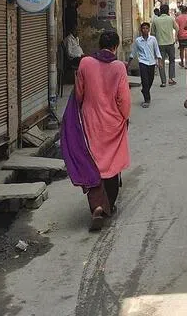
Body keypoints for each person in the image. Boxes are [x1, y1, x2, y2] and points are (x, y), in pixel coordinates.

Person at [75, 29, 130, 230]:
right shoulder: (118, 67)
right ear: (115, 47)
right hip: (112, 122)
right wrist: (124, 117)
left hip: (91, 121)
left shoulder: (85, 63)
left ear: (99, 45)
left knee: (94, 163)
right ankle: (109, 205)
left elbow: (79, 93)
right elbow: (123, 98)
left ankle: (97, 206)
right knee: (112, 164)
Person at [129, 22, 162, 108]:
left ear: (149, 29)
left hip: (152, 63)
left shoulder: (153, 39)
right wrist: (128, 63)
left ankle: (144, 90)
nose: (145, 30)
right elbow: (133, 52)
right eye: (143, 28)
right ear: (141, 30)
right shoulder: (138, 41)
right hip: (143, 62)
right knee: (145, 81)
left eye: (147, 28)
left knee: (150, 80)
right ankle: (147, 99)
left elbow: (157, 50)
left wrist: (159, 60)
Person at [150, 3, 178, 87]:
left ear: (160, 11)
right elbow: (177, 28)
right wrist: (176, 37)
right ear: (167, 11)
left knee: (160, 62)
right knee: (172, 61)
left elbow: (152, 33)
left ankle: (163, 82)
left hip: (160, 44)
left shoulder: (155, 20)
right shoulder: (171, 19)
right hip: (170, 43)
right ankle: (171, 78)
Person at [174, 3, 187, 68]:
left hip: (181, 35)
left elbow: (177, 28)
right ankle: (186, 63)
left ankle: (182, 62)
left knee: (181, 49)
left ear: (181, 10)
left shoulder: (178, 18)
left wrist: (176, 37)